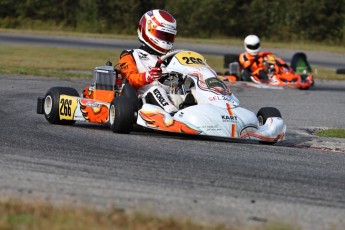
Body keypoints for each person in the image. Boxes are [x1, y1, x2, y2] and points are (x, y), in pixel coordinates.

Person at [118, 9, 178, 114]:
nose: (165, 39)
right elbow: (129, 79)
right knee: (157, 89)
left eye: (169, 36)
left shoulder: (173, 57)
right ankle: (173, 115)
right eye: (162, 35)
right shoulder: (130, 55)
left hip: (174, 96)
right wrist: (147, 76)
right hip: (144, 100)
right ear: (147, 30)